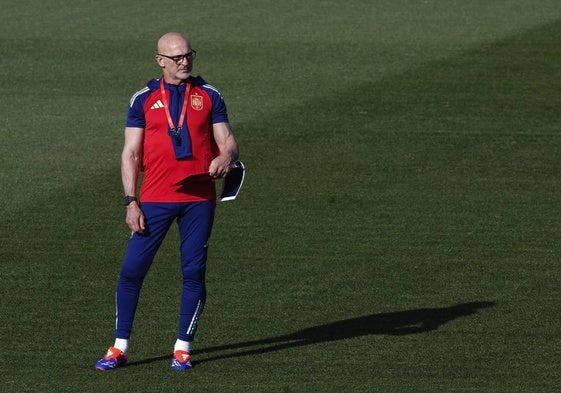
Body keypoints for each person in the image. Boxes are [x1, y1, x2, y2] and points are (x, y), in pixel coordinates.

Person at [95, 32, 239, 371]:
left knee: (193, 270)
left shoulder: (209, 95)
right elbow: (130, 153)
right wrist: (131, 201)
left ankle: (182, 347)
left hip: (198, 200)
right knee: (132, 271)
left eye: (189, 55)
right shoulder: (142, 99)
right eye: (177, 58)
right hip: (155, 199)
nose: (185, 61)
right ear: (160, 61)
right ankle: (119, 346)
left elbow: (228, 141)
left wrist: (226, 157)